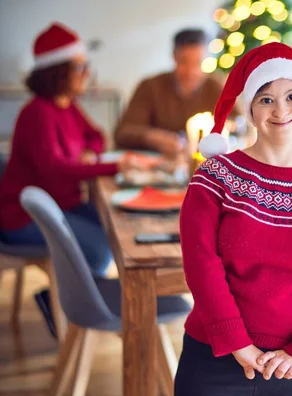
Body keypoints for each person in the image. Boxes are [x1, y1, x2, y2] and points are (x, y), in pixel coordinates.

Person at [174, 43, 292, 396]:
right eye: (265, 99)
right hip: (213, 358)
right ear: (251, 109)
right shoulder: (214, 177)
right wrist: (236, 342)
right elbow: (201, 265)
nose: (280, 109)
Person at [0, 22, 136, 336]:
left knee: (115, 225)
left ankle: (72, 298)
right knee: (101, 249)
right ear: (59, 71)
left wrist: (89, 152)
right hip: (22, 217)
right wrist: (114, 167)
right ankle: (69, 302)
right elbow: (55, 169)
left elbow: (96, 136)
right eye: (81, 66)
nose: (87, 72)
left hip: (64, 203)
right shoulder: (37, 113)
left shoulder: (67, 106)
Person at [115, 28, 236, 158]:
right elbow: (123, 132)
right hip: (158, 165)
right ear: (174, 57)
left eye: (197, 63)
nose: (190, 71)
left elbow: (239, 124)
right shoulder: (150, 86)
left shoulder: (216, 86)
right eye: (183, 61)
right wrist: (152, 137)